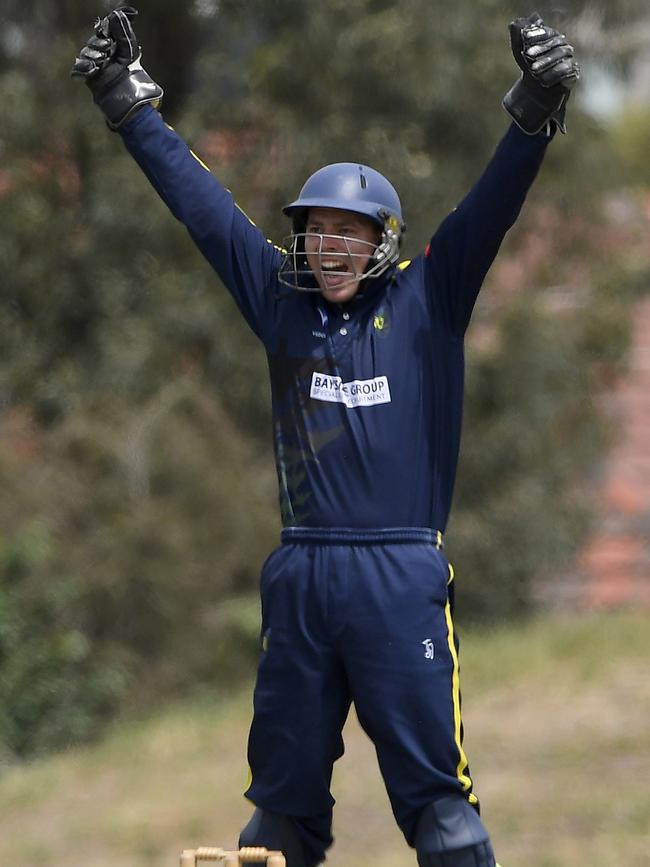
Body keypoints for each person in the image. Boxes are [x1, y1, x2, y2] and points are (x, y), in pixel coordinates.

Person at [72, 7, 580, 867]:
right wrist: (127, 102)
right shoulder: (281, 303)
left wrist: (535, 102)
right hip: (301, 576)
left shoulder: (430, 300)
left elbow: (493, 204)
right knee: (277, 816)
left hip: (399, 574)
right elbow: (202, 210)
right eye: (317, 228)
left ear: (384, 242)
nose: (332, 245)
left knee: (442, 813)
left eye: (351, 231)